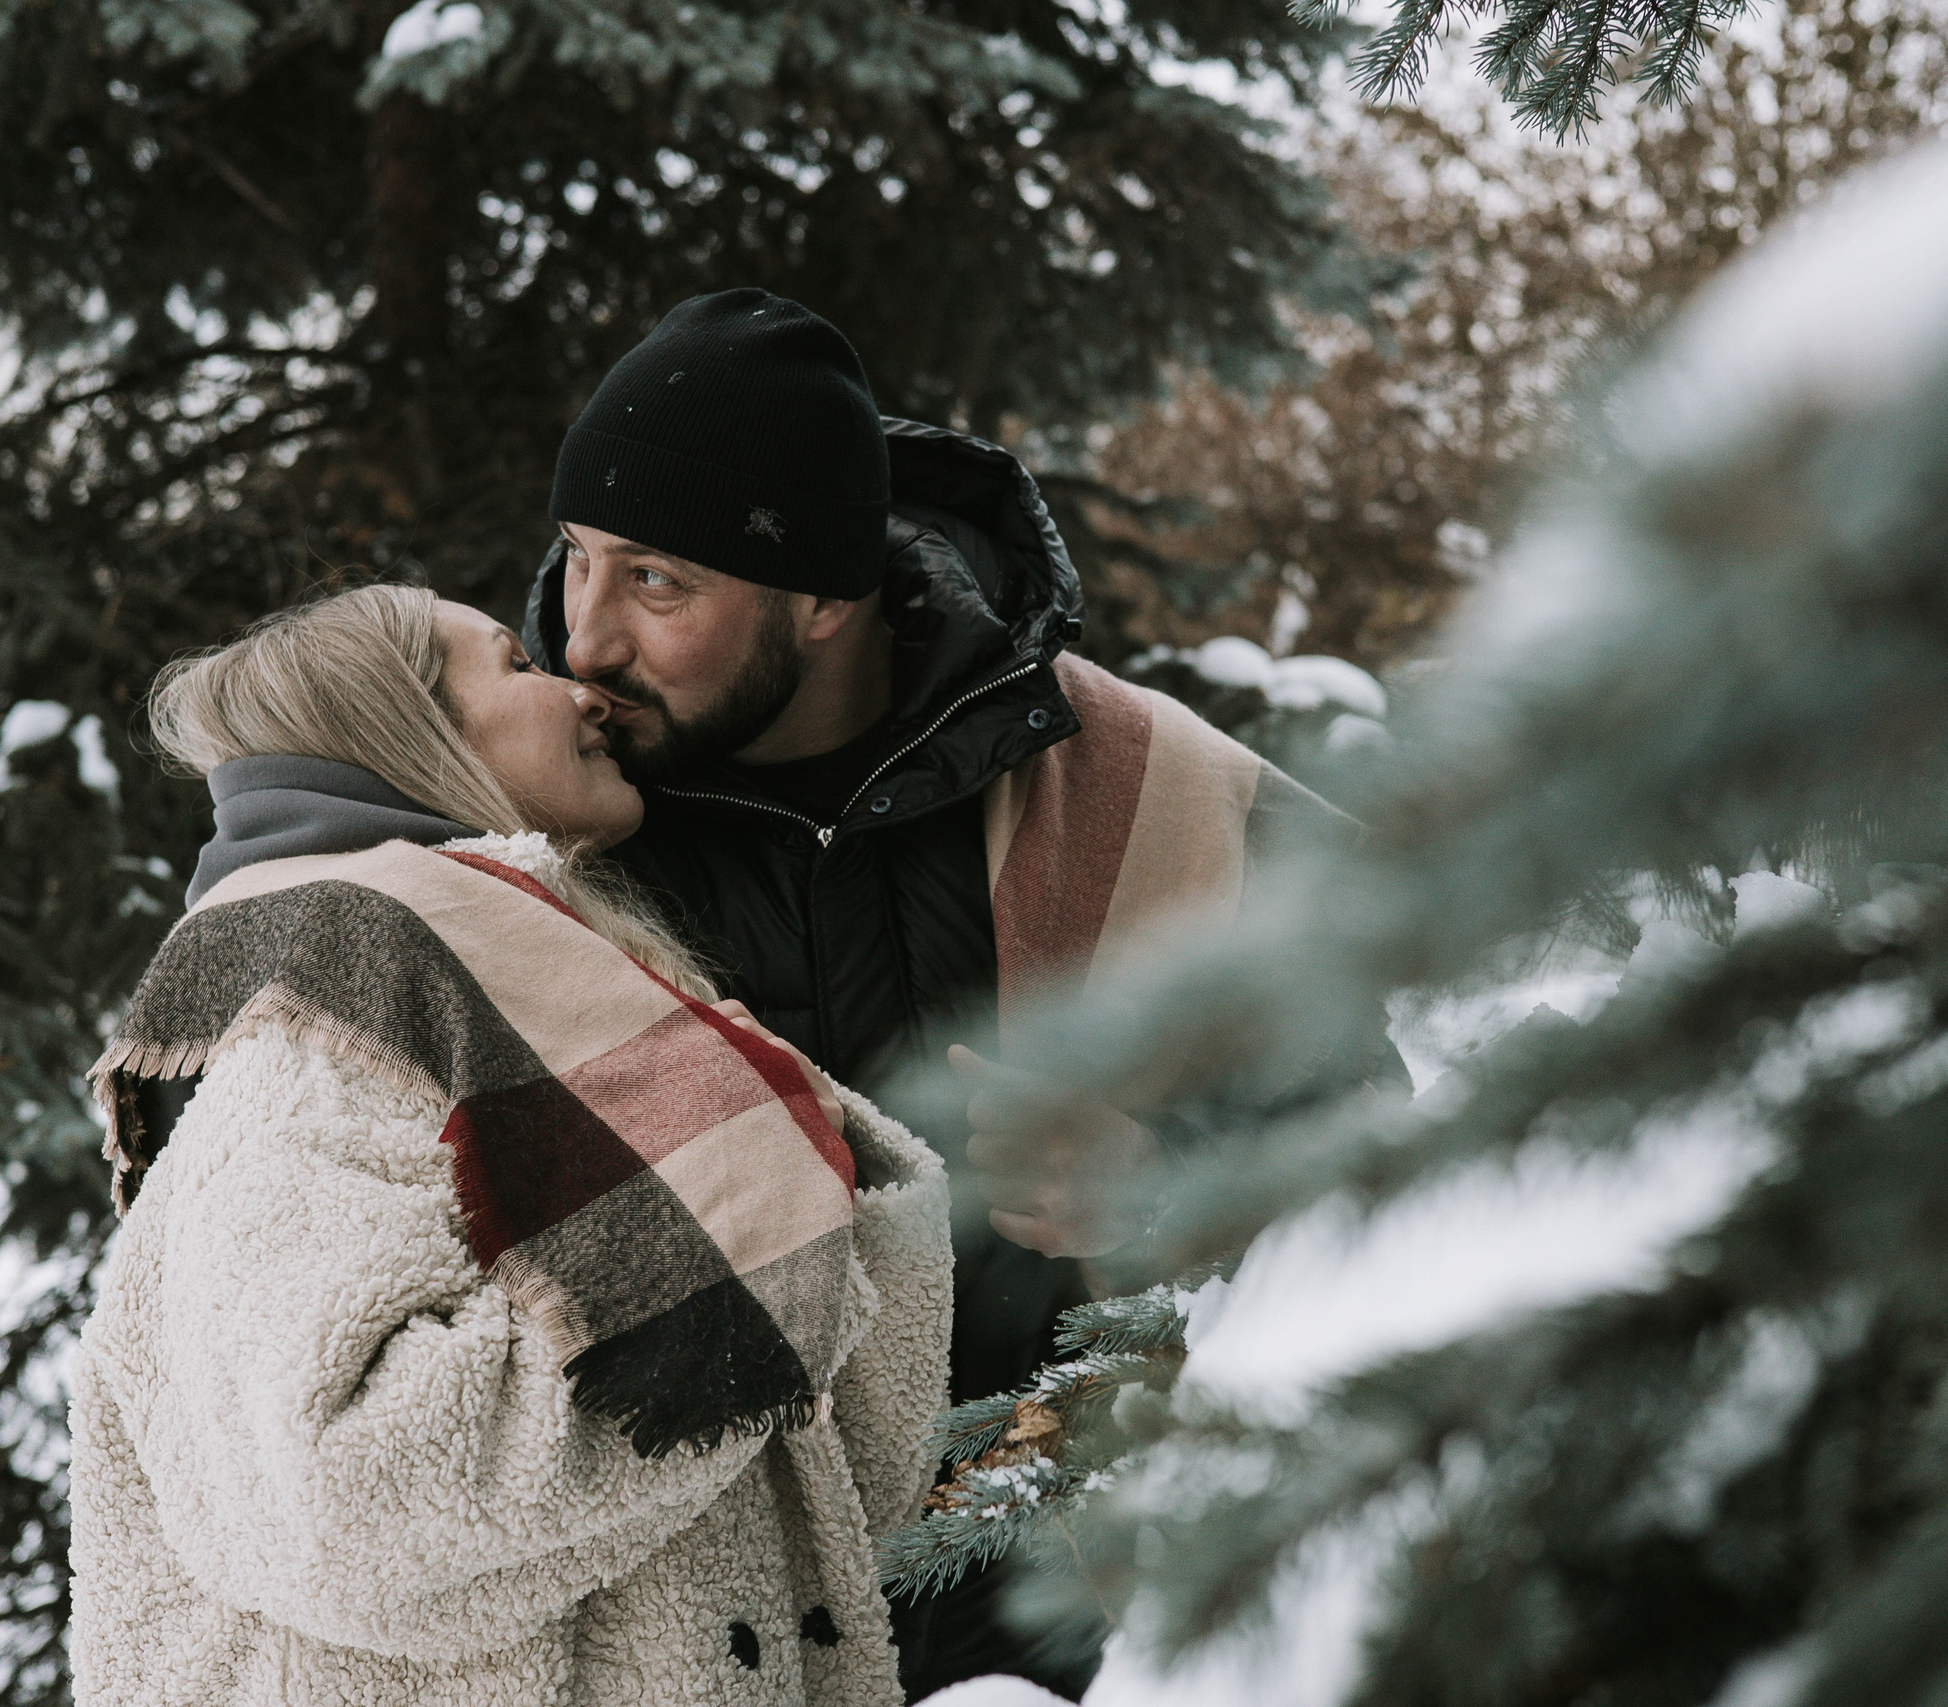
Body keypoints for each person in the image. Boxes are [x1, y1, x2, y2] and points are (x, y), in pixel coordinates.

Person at [520, 290, 1385, 1697]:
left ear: (822, 597)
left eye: (658, 582)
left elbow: (1381, 1168)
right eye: (579, 562)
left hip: (1064, 1619)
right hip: (668, 1635)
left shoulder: (1132, 784)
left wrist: (1159, 1193)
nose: (587, 638)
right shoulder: (533, 825)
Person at [66, 585, 953, 1707]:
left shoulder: (511, 993)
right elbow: (343, 1503)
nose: (582, 689)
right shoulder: (312, 1031)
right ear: (403, 727)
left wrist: (808, 1227)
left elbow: (818, 1468)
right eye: (515, 664)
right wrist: (732, 1277)